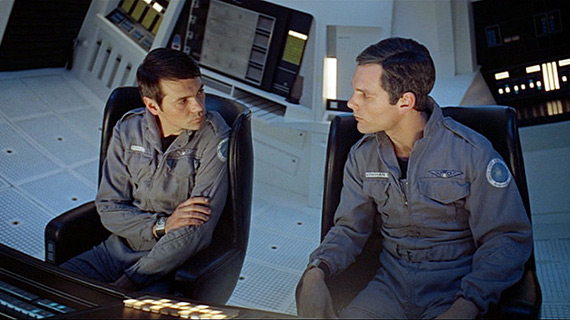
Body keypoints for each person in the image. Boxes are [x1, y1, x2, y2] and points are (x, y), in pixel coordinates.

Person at [296, 37, 532, 319]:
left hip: (456, 290)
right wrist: (316, 271)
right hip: (389, 287)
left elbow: (506, 238)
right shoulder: (361, 156)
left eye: (365, 95)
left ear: (405, 102)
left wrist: (468, 304)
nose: (351, 103)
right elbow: (348, 230)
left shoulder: (473, 153)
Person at [61, 48, 230, 293]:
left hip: (168, 267)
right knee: (45, 294)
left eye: (200, 92)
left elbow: (197, 229)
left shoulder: (213, 137)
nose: (198, 107)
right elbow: (109, 208)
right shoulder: (127, 130)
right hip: (113, 253)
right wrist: (162, 224)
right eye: (183, 101)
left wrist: (132, 280)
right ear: (152, 106)